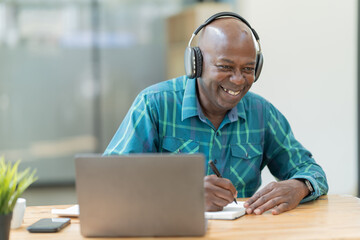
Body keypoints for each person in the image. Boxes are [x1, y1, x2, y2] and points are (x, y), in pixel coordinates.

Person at [104, 12, 328, 215]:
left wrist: (300, 186)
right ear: (196, 64)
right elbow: (108, 181)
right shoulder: (154, 104)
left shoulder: (262, 113)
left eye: (248, 69)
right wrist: (185, 194)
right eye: (225, 67)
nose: (238, 79)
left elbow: (310, 170)